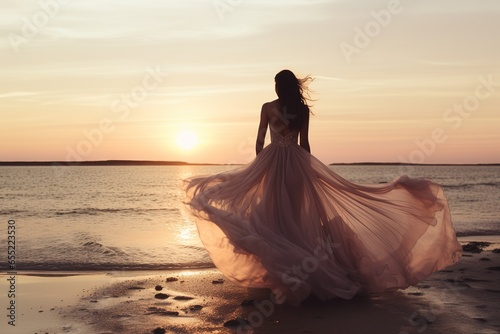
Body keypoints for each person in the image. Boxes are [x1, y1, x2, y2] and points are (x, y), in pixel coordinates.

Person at [184, 69, 462, 306]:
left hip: (273, 162)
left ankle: (282, 276)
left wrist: (260, 168)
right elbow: (305, 145)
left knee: (272, 217)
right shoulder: (302, 110)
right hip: (295, 164)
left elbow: (259, 141)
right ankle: (295, 273)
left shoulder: (267, 107)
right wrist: (310, 171)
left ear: (278, 87)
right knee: (292, 216)